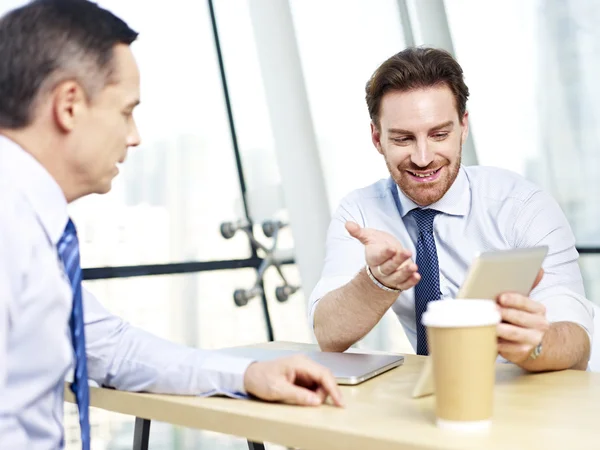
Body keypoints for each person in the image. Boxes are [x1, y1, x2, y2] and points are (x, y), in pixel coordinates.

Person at [0, 1, 343, 449]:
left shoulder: (30, 222)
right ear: (69, 105)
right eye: (126, 111)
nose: (134, 135)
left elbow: (111, 348)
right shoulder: (9, 223)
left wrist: (247, 374)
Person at [309, 46, 593, 373]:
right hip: (444, 397)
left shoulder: (522, 207)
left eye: (439, 134)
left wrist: (536, 345)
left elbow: (577, 340)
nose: (423, 157)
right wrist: (378, 281)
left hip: (559, 392)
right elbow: (328, 335)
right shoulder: (360, 214)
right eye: (403, 139)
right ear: (377, 138)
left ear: (463, 127)